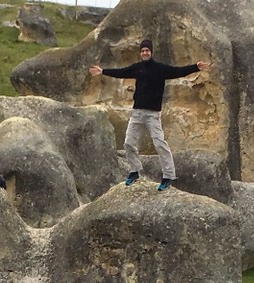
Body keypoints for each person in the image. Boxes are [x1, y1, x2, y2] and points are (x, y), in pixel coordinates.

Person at [89, 39, 211, 191]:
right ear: (140, 53)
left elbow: (177, 71)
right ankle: (135, 171)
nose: (145, 53)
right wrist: (103, 71)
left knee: (159, 143)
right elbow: (121, 72)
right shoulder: (137, 68)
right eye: (142, 51)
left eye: (147, 50)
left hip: (153, 114)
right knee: (128, 143)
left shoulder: (159, 68)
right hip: (137, 113)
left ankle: (168, 176)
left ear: (151, 52)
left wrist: (196, 67)